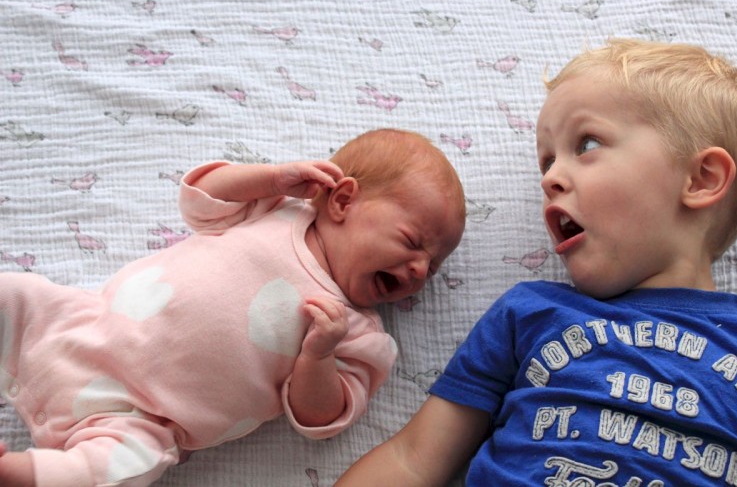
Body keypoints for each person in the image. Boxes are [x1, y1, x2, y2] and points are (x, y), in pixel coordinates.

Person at [336, 40, 737, 486]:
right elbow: (413, 459)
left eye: (587, 144)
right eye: (546, 163)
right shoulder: (529, 313)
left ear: (701, 179)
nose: (552, 177)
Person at [0, 128, 466, 486]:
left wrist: (318, 356)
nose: (420, 271)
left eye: (434, 265)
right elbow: (200, 197)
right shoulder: (274, 210)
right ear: (342, 200)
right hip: (80, 325)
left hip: (143, 418)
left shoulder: (359, 336)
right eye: (412, 242)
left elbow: (321, 419)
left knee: (123, 467)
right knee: (16, 294)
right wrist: (269, 177)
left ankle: (18, 473)